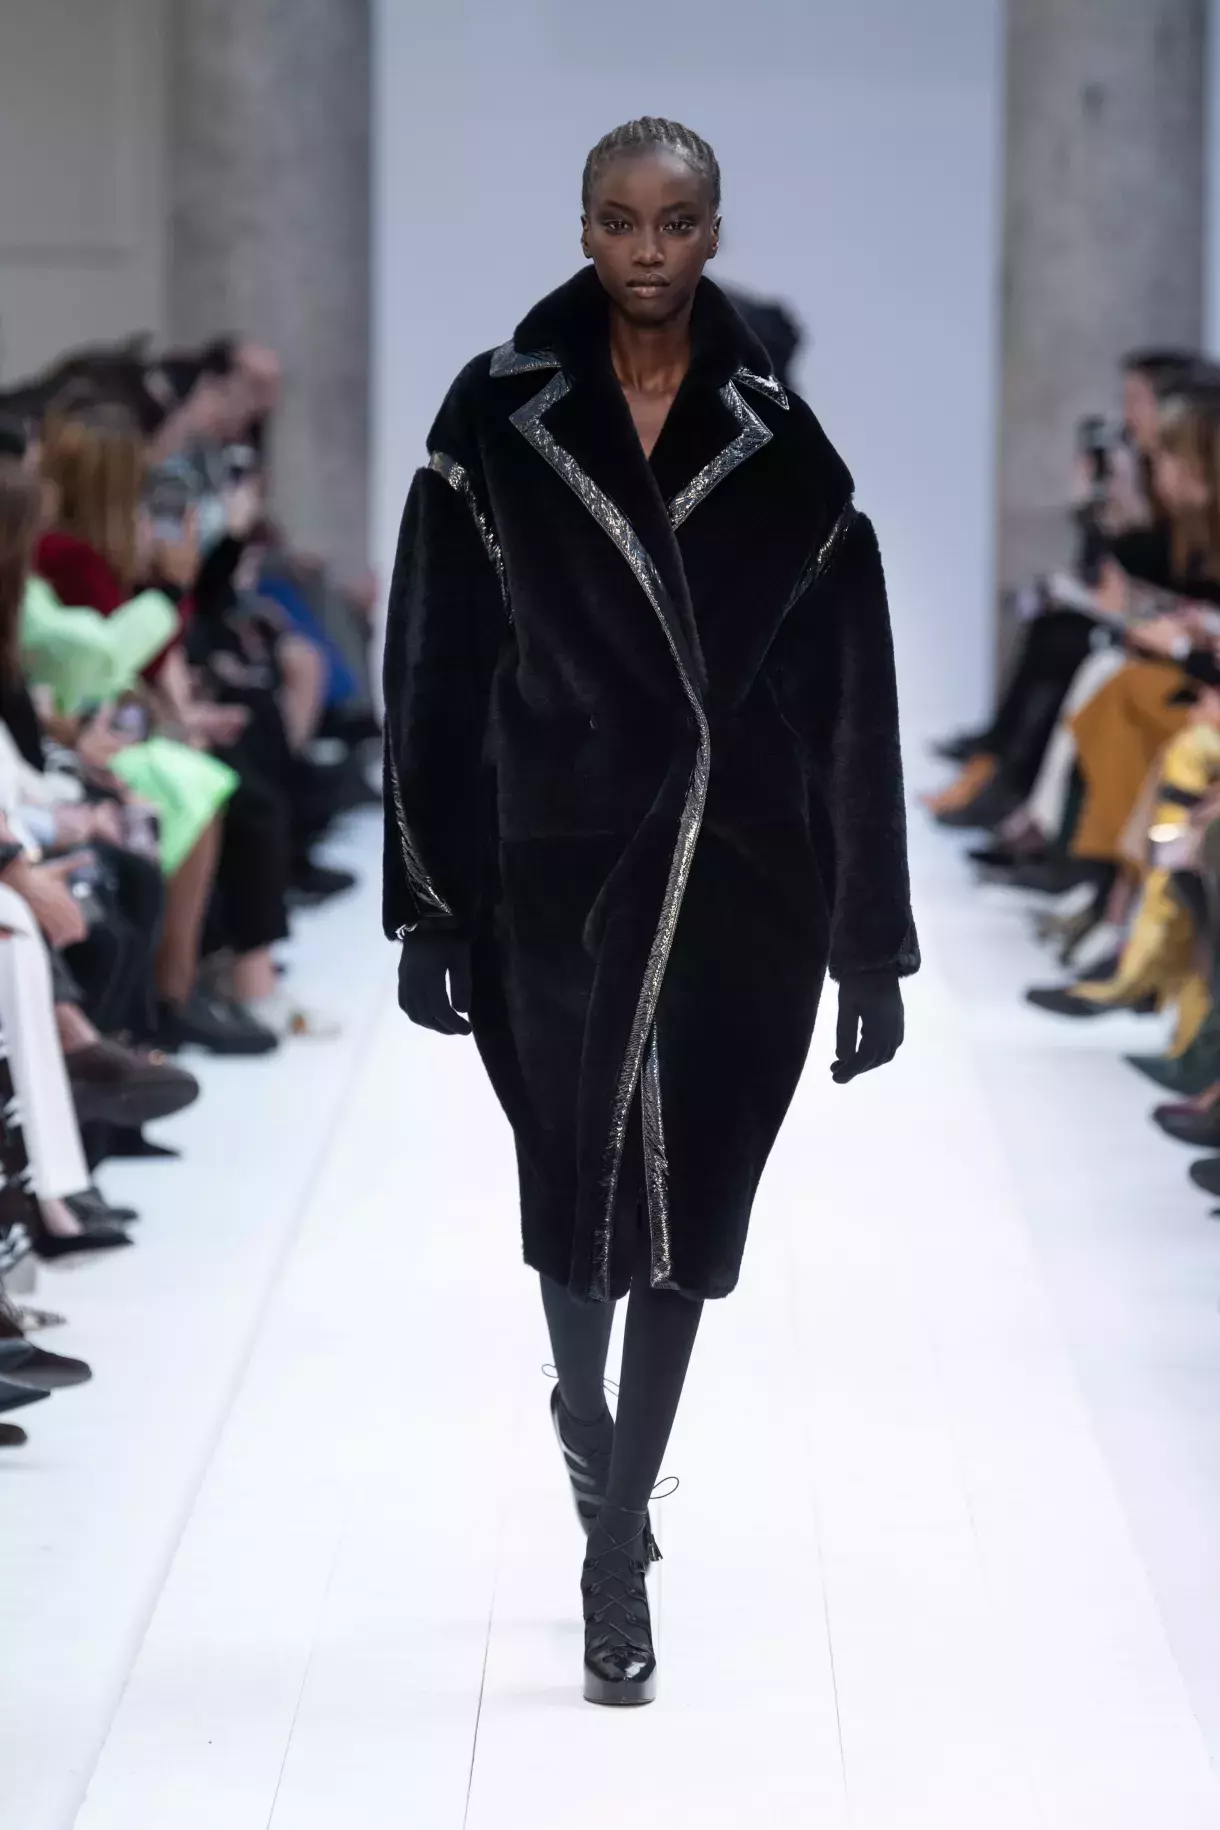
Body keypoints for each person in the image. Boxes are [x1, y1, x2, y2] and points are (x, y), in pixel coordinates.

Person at [383, 116, 917, 1706]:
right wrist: (430, 901)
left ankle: (614, 1538)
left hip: (745, 868)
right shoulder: (498, 414)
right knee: (573, 1180)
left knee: (698, 1210)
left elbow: (854, 707)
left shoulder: (784, 444)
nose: (646, 249)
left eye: (676, 221)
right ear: (583, 225)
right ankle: (581, 1409)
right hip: (554, 864)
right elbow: (433, 663)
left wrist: (868, 942)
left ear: (715, 230)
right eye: (619, 219)